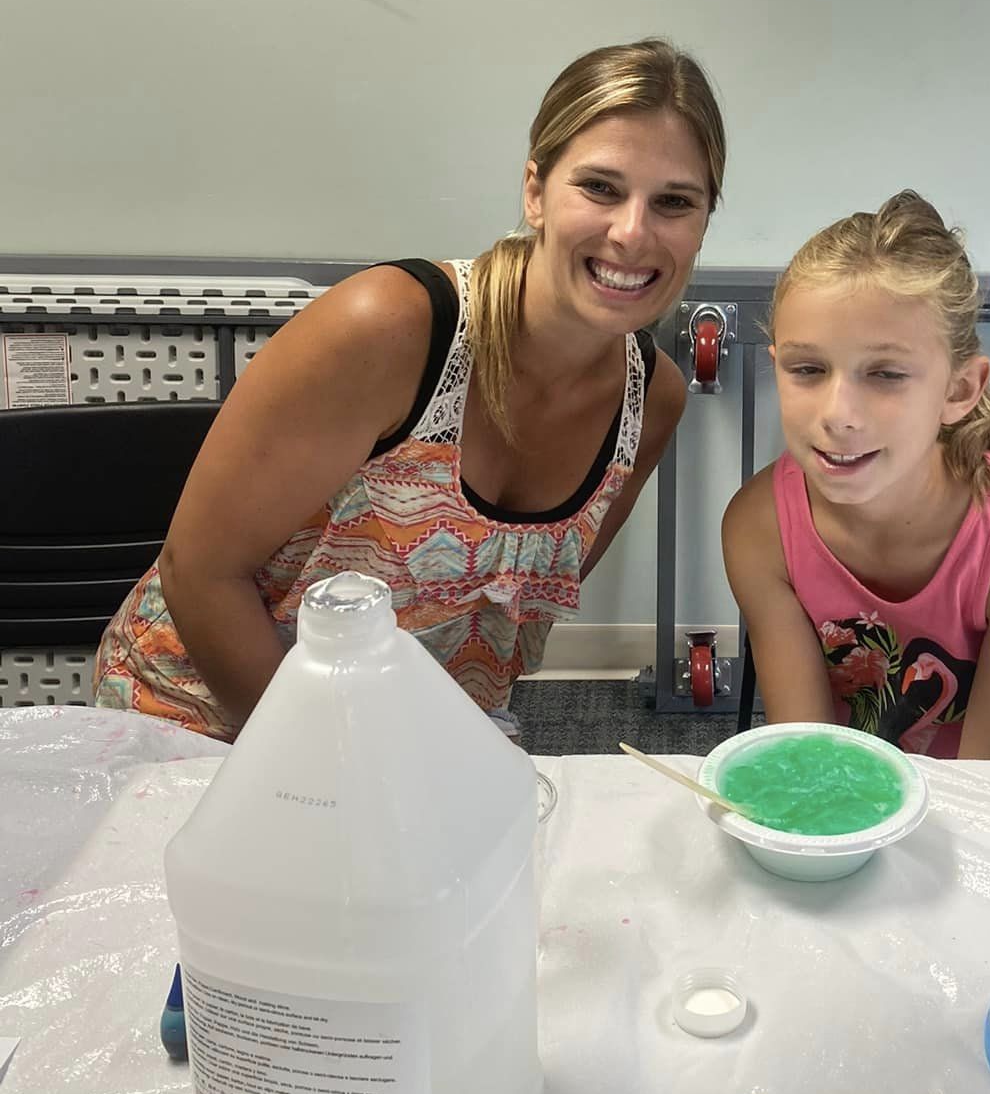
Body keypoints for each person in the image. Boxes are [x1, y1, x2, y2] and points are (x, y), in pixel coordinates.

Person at [96, 38, 726, 740]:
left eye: (675, 202)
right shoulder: (391, 329)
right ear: (536, 192)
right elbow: (200, 573)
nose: (632, 234)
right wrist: (337, 773)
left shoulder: (651, 401)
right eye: (600, 188)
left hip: (407, 741)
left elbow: (499, 622)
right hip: (199, 720)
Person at [723, 191, 990, 761]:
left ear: (959, 390)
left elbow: (988, 782)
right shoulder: (759, 529)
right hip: (882, 777)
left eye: (886, 375)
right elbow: (810, 753)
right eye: (808, 369)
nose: (838, 415)